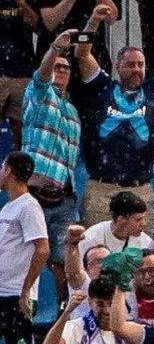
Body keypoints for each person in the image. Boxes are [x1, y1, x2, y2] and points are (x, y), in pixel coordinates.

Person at [74, 3, 154, 227]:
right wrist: (93, 20)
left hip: (140, 188)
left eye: (140, 64)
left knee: (140, 256)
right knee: (96, 254)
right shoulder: (102, 87)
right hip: (101, 188)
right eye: (131, 64)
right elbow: (80, 53)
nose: (136, 69)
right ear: (118, 65)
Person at [21, 29, 81, 299]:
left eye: (66, 69)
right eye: (57, 66)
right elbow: (41, 77)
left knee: (62, 261)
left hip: (64, 197)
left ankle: (57, 313)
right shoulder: (38, 94)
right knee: (30, 256)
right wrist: (55, 49)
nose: (61, 71)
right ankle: (25, 309)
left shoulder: (72, 110)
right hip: (34, 195)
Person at [0, 151, 49, 344]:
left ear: (9, 170)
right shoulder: (8, 208)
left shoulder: (29, 206)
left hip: (17, 294)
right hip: (3, 292)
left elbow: (42, 248)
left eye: (2, 168)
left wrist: (26, 290)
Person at [0, 0, 38, 148]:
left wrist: (22, 3)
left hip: (22, 72)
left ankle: (18, 183)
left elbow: (39, 27)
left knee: (22, 139)